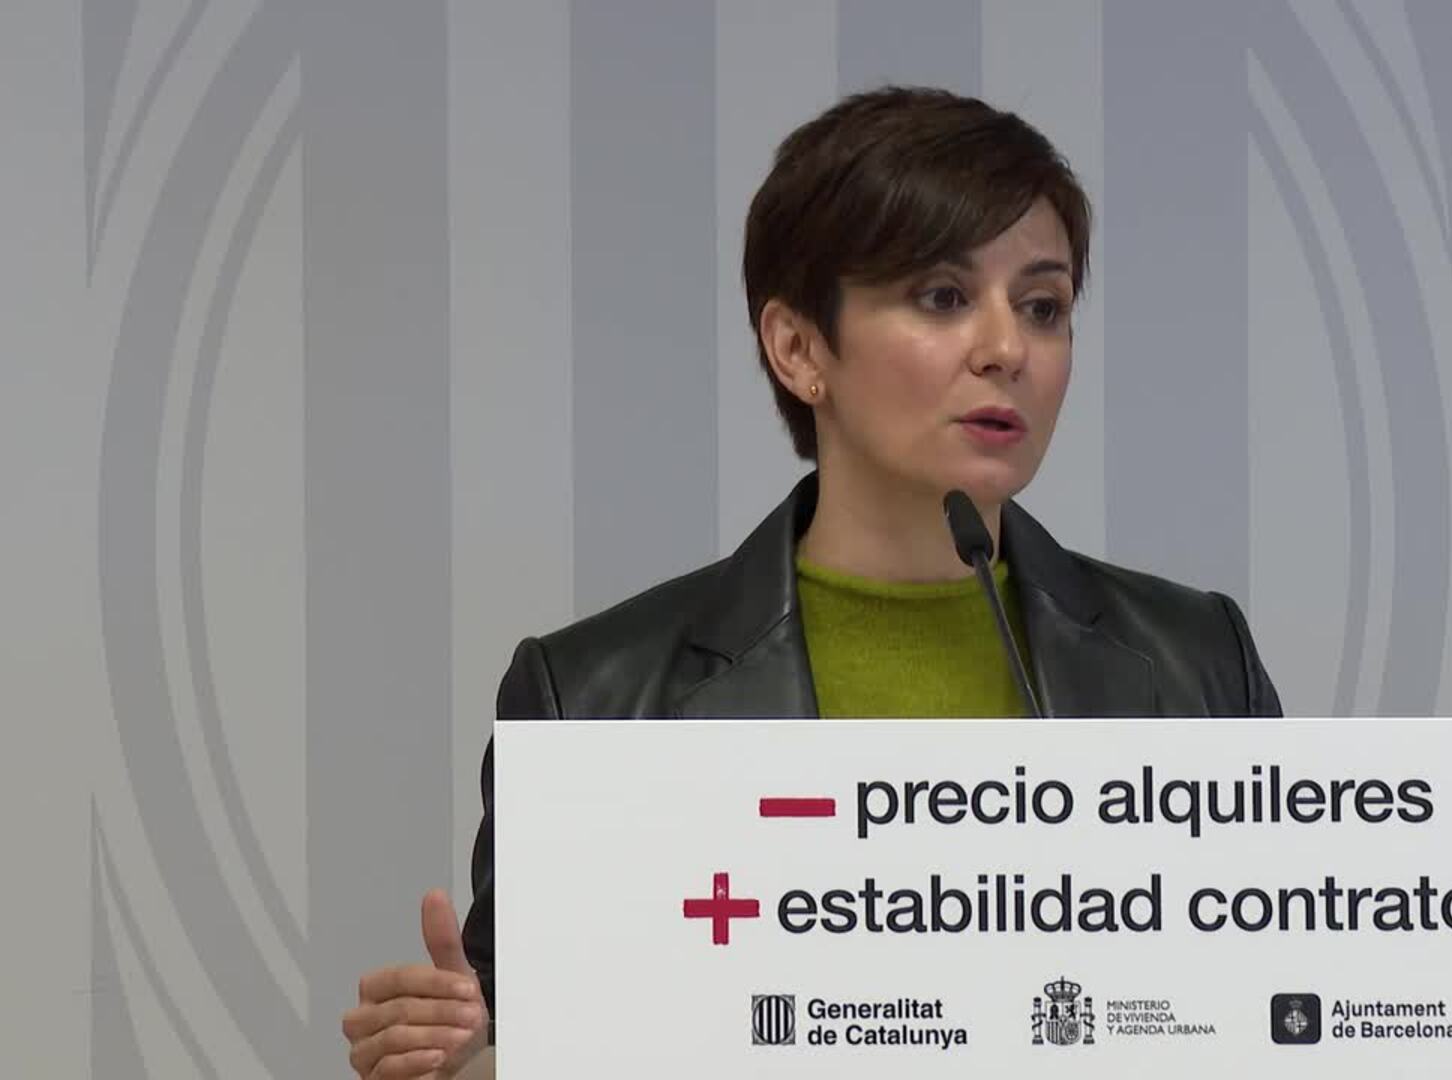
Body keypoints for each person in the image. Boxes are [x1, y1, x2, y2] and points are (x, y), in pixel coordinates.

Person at [341, 85, 1282, 1079]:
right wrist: (469, 1064)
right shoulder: (597, 700)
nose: (1008, 349)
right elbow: (538, 1041)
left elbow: (1287, 1007)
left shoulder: (1196, 665)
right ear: (797, 348)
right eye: (943, 297)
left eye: (1042, 307)